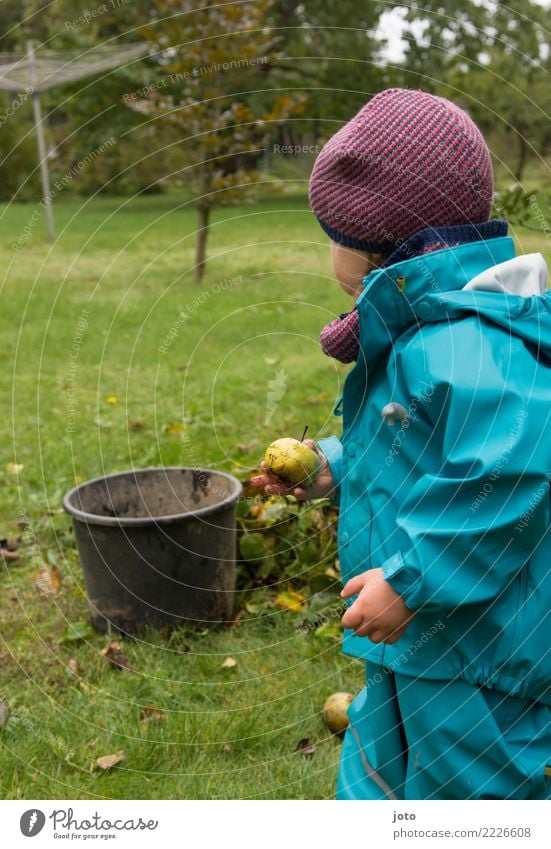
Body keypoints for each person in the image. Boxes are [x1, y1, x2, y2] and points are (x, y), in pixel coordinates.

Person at [252, 88, 551, 800]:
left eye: (332, 233)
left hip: (476, 650)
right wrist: (331, 464)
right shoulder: (431, 332)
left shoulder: (463, 342)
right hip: (422, 640)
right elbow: (417, 447)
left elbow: (510, 473)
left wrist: (411, 578)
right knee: (380, 771)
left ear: (369, 245)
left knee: (468, 796)